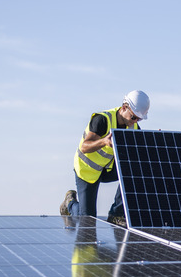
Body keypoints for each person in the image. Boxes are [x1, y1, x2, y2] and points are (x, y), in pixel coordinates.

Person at [60, 90, 150, 227]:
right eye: (133, 117)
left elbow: (136, 155)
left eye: (139, 119)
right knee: (87, 220)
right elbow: (85, 146)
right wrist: (103, 142)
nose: (136, 121)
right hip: (87, 171)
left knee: (135, 168)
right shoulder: (102, 120)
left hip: (106, 169)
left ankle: (116, 214)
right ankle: (70, 204)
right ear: (124, 107)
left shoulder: (134, 127)